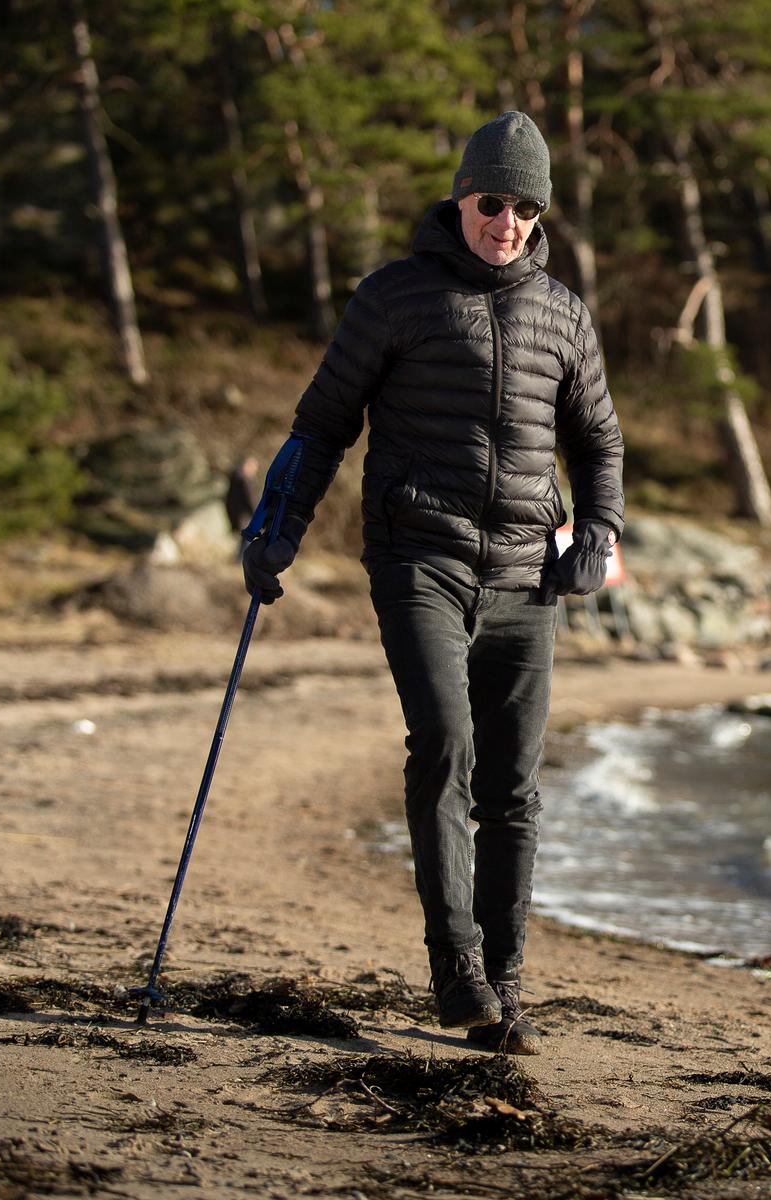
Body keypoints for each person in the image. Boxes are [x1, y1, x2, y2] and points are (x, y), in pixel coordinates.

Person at [240, 111, 624, 1055]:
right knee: (445, 744)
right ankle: (456, 971)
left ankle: (506, 987)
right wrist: (273, 529)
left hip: (526, 581)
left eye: (526, 206)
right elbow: (322, 421)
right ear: (461, 197)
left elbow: (600, 441)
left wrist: (599, 533)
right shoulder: (395, 296)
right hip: (421, 560)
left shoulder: (563, 312)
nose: (508, 222)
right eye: (494, 201)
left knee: (516, 788)